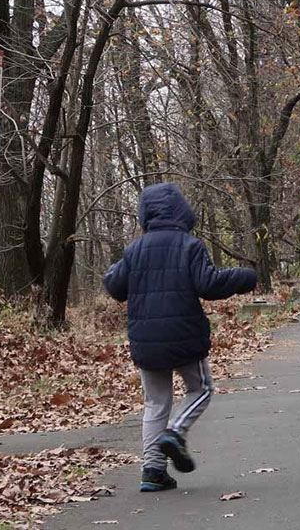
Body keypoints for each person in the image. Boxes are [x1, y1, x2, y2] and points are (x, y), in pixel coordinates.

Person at [105, 183, 258, 493]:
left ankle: (153, 470)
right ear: (181, 211)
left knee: (155, 403)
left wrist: (119, 269)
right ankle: (175, 432)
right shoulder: (190, 245)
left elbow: (115, 286)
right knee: (201, 389)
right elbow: (209, 284)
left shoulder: (135, 250)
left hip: (146, 340)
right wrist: (244, 277)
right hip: (183, 336)